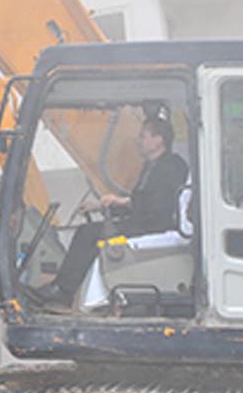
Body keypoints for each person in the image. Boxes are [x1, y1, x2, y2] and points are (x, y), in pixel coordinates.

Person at [49, 115, 189, 303]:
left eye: (143, 136)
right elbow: (139, 202)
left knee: (88, 234)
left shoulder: (172, 166)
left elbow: (158, 205)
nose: (138, 141)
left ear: (158, 140)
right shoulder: (150, 166)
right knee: (88, 231)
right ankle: (66, 289)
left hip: (156, 225)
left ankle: (63, 292)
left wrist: (120, 202)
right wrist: (104, 205)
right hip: (143, 221)